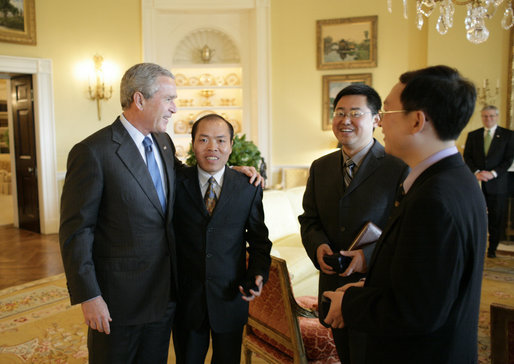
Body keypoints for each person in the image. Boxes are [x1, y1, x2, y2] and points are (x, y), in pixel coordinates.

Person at [59, 63, 262, 364]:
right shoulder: (93, 152)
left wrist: (228, 172)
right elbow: (77, 232)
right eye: (168, 99)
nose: (174, 108)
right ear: (140, 99)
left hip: (165, 296)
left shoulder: (163, 142)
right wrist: (89, 296)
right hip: (120, 301)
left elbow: (188, 178)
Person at [323, 65, 488, 364]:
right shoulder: (455, 178)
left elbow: (417, 310)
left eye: (386, 112)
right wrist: (368, 287)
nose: (381, 123)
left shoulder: (435, 199)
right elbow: (426, 280)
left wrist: (350, 304)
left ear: (416, 121)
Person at [299, 84, 408, 363]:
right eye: (339, 112)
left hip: (375, 290)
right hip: (332, 285)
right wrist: (318, 246)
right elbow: (309, 219)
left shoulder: (398, 167)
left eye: (355, 113)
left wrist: (365, 257)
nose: (345, 120)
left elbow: (405, 229)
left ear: (376, 120)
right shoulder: (320, 167)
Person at [172, 114, 272, 364]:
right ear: (193, 143)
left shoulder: (248, 187)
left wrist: (258, 273)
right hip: (186, 299)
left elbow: (260, 241)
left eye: (220, 140)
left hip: (230, 298)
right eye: (203, 139)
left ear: (231, 145)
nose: (212, 147)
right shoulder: (174, 183)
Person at [463, 105, 514, 258]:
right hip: (476, 183)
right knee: (475, 216)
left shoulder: (508, 135)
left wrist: (492, 173)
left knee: (496, 217)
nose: (488, 119)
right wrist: (477, 173)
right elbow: (468, 157)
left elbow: (509, 159)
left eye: (491, 116)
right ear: (482, 117)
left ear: (496, 117)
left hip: (498, 184)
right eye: (485, 116)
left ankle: (492, 249)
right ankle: (475, 247)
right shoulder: (473, 135)